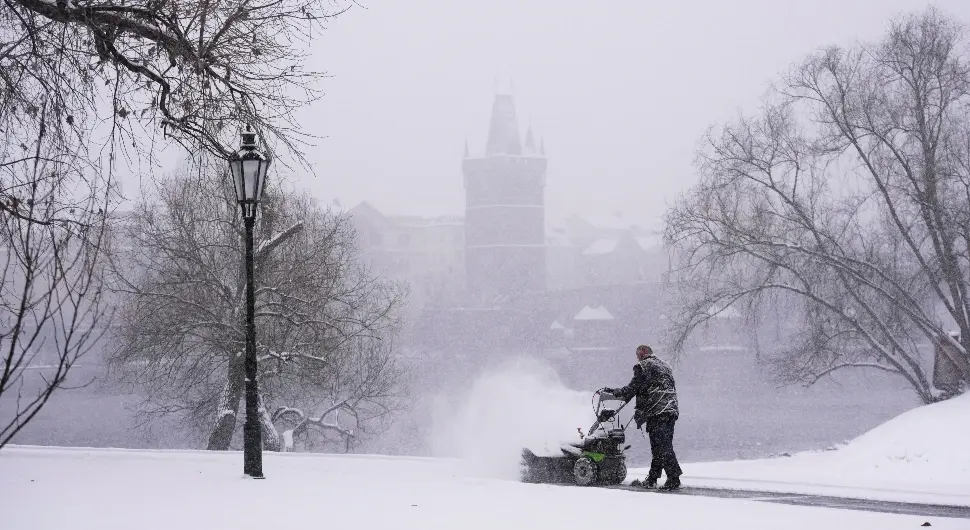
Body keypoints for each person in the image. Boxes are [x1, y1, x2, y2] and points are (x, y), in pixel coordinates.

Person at [603, 344, 683, 490]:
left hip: (658, 411)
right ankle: (652, 479)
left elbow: (633, 388)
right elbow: (648, 388)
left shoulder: (643, 366)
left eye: (638, 355)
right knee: (660, 446)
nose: (637, 358)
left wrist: (615, 392)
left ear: (642, 353)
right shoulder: (665, 366)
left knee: (662, 446)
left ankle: (674, 478)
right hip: (671, 410)